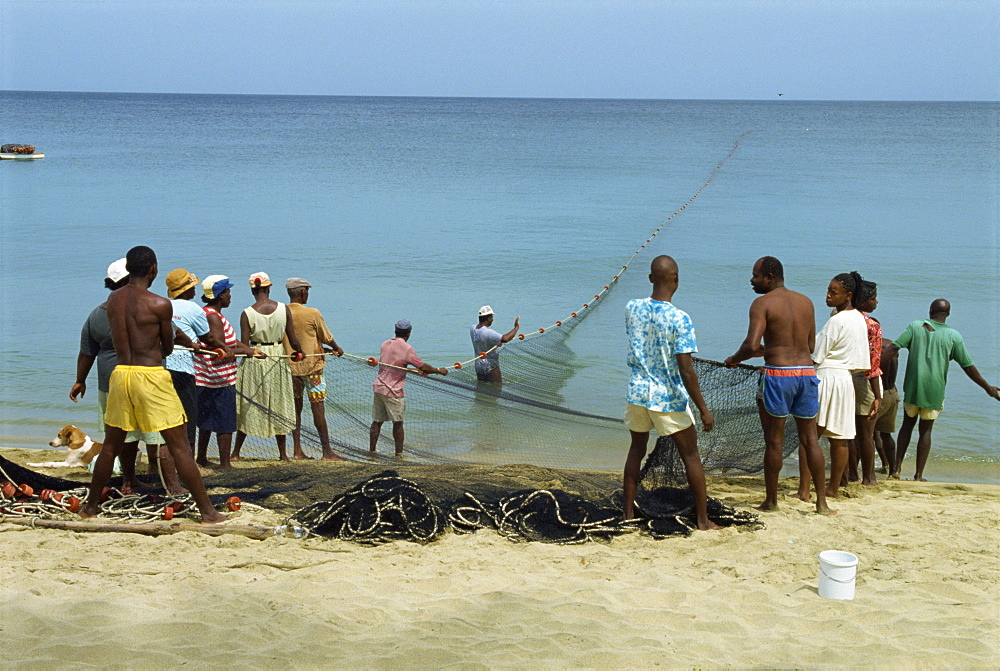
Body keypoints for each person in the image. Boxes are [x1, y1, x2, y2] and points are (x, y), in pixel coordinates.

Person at [80, 246, 226, 523]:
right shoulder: (159, 304)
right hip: (150, 375)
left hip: (121, 374)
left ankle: (90, 507)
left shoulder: (112, 301)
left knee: (111, 445)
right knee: (179, 445)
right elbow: (168, 349)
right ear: (153, 270)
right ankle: (208, 512)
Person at [724, 256, 832, 514]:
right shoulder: (805, 302)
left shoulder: (762, 303)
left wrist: (733, 360)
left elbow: (751, 345)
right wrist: (775, 348)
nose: (751, 280)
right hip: (806, 373)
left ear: (770, 277)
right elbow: (810, 347)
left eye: (755, 275)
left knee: (774, 442)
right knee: (811, 441)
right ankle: (822, 504)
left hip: (778, 375)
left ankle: (771, 501)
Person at [622, 255, 719, 531]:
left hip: (637, 392)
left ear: (651, 278)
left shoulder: (632, 308)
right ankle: (702, 520)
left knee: (636, 451)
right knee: (690, 456)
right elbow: (686, 370)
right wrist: (703, 408)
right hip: (667, 397)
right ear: (676, 280)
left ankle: (627, 514)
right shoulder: (680, 319)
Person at [71, 258, 171, 492]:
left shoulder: (97, 314)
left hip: (112, 382)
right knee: (160, 435)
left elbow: (87, 352)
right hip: (147, 379)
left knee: (121, 437)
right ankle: (170, 484)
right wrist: (196, 345)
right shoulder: (149, 305)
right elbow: (172, 338)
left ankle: (128, 480)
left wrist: (80, 380)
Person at [882, 299, 1000, 481]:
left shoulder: (915, 327)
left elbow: (893, 348)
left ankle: (896, 470)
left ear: (930, 311)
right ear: (948, 314)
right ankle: (918, 475)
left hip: (913, 387)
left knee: (907, 426)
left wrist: (872, 366)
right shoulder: (954, 336)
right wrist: (987, 387)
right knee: (926, 431)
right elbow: (968, 366)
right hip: (934, 390)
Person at [800, 272, 870, 500]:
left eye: (833, 292)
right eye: (828, 291)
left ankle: (804, 490)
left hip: (827, 377)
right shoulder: (860, 318)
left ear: (848, 295)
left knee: (810, 436)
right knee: (840, 438)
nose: (828, 296)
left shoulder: (836, 321)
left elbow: (816, 355)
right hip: (846, 381)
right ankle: (833, 489)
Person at [232, 272, 304, 462]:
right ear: (269, 288)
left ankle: (236, 453)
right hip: (277, 358)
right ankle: (283, 455)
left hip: (255, 359)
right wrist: (299, 352)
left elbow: (245, 344)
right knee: (279, 402)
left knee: (249, 402)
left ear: (252, 290)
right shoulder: (283, 308)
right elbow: (293, 339)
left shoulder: (247, 313)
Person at [193, 275, 259, 470]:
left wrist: (249, 349)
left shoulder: (210, 313)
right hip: (218, 379)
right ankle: (225, 463)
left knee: (206, 419)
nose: (230, 296)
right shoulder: (213, 316)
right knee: (225, 421)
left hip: (206, 378)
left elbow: (230, 343)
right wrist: (247, 351)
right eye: (228, 292)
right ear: (220, 295)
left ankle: (202, 458)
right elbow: (220, 350)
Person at [286, 277, 345, 461]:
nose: (307, 295)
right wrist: (336, 348)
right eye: (307, 292)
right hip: (313, 369)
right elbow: (326, 336)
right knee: (318, 407)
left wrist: (322, 347)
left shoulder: (283, 312)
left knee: (296, 409)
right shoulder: (312, 313)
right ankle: (326, 452)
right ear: (302, 293)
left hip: (291, 369)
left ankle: (297, 451)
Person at [370, 319, 448, 456]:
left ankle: (372, 451)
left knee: (377, 421)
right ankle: (399, 454)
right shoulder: (407, 348)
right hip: (393, 390)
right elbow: (423, 366)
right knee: (398, 423)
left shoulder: (385, 344)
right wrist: (439, 370)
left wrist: (411, 369)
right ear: (408, 333)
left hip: (379, 387)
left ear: (396, 331)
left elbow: (395, 364)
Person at [850, 280, 882, 486]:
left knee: (848, 433)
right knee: (866, 435)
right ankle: (869, 478)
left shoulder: (841, 318)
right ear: (864, 301)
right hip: (863, 380)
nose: (876, 302)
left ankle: (851, 473)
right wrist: (878, 396)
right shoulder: (872, 326)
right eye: (873, 299)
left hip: (844, 377)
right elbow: (874, 363)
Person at [470, 306, 520, 383]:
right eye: (492, 317)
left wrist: (496, 342)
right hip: (491, 366)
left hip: (478, 366)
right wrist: (516, 327)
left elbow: (483, 341)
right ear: (488, 318)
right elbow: (505, 338)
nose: (492, 320)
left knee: (482, 388)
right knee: (497, 388)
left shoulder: (473, 328)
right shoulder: (489, 332)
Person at [873, 339, 900, 473]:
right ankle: (892, 468)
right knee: (885, 434)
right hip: (892, 392)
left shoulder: (873, 347)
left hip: (877, 393)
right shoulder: (891, 345)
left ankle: (859, 473)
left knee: (864, 435)